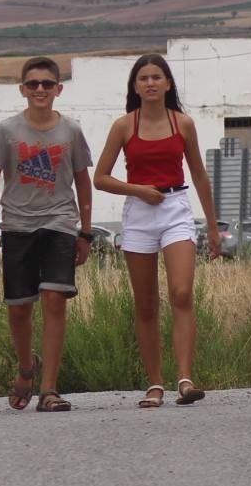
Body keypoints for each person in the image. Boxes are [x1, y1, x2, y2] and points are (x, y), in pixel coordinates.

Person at [93, 53, 219, 408]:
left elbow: (199, 174)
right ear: (135, 86)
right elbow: (99, 178)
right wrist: (137, 190)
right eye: (143, 78)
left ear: (167, 83)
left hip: (176, 209)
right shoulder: (124, 126)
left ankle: (185, 379)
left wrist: (211, 225)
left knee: (181, 292)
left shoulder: (184, 123)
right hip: (139, 212)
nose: (150, 83)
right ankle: (154, 384)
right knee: (146, 303)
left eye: (156, 77)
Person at [0, 57, 94, 412]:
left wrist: (86, 232)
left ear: (58, 89)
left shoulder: (71, 131)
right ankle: (27, 368)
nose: (40, 90)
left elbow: (83, 181)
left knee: (54, 299)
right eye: (33, 84)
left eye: (47, 84)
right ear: (23, 90)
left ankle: (49, 390)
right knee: (19, 308)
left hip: (59, 222)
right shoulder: (7, 131)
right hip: (17, 225)